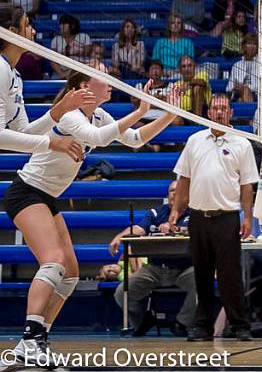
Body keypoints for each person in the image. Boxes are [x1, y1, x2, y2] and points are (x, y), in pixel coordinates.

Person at [6, 70, 178, 364]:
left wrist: (169, 115)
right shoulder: (71, 114)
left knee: (70, 274)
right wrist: (140, 109)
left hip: (47, 197)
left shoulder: (99, 114)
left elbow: (135, 139)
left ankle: (37, 341)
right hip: (27, 193)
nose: (110, 82)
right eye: (103, 78)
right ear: (84, 86)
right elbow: (98, 138)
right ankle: (29, 337)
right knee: (54, 261)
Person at [169, 94, 259, 342]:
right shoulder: (194, 140)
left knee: (230, 275)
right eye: (216, 108)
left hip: (227, 218)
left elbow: (247, 185)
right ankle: (202, 326)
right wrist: (176, 209)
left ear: (230, 113)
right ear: (209, 113)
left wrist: (247, 217)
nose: (219, 112)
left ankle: (239, 325)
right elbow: (184, 178)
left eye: (224, 109)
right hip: (198, 218)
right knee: (202, 274)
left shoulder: (242, 143)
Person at [0, 4, 88, 158]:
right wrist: (52, 143)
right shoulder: (1, 68)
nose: (33, 31)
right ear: (13, 32)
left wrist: (60, 109)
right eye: (27, 25)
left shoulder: (14, 75)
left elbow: (24, 133)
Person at [111, 179, 196, 337]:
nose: (175, 194)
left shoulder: (194, 213)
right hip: (155, 268)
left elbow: (197, 230)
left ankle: (182, 322)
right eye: (171, 191)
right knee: (122, 292)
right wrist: (119, 236)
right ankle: (142, 320)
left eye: (179, 190)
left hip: (184, 268)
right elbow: (138, 228)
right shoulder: (156, 213)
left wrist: (176, 229)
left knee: (202, 282)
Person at [49, 14, 91, 78]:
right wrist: (61, 74)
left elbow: (87, 52)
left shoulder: (84, 37)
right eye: (60, 24)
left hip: (81, 70)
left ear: (72, 26)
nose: (61, 26)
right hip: (62, 71)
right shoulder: (56, 40)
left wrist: (70, 52)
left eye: (64, 24)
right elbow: (52, 59)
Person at [172, 55, 211, 121]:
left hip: (203, 112)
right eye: (184, 66)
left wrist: (188, 83)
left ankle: (197, 121)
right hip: (183, 114)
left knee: (197, 88)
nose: (187, 69)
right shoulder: (176, 84)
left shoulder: (202, 75)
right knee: (175, 120)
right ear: (180, 70)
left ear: (194, 67)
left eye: (190, 66)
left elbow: (202, 82)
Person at [227, 34, 260, 103]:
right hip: (237, 94)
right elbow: (229, 88)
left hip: (256, 96)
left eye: (254, 44)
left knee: (244, 91)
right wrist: (235, 87)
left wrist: (244, 87)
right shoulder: (236, 65)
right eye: (249, 43)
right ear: (244, 46)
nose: (252, 46)